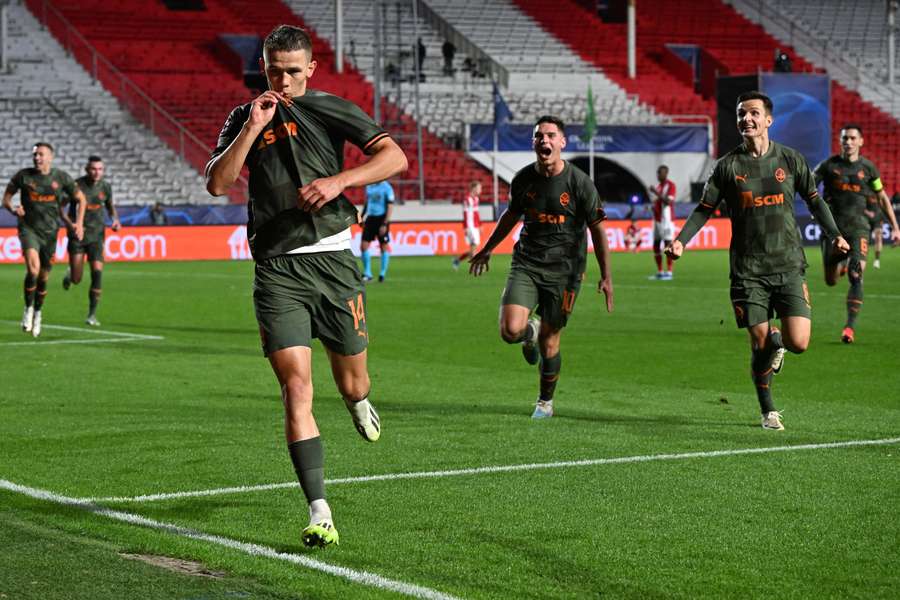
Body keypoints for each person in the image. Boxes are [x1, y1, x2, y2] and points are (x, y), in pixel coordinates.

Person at [205, 24, 407, 548]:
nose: (285, 80)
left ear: (311, 69)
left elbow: (395, 158)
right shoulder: (243, 117)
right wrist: (252, 127)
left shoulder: (330, 108)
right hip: (276, 270)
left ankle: (359, 402)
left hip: (334, 263)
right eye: (276, 72)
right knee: (296, 387)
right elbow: (218, 182)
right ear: (264, 69)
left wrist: (340, 181)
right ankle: (320, 510)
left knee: (352, 385)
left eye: (294, 71)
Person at [666, 91, 849, 431]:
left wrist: (834, 233)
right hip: (748, 272)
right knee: (759, 342)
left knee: (799, 343)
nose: (745, 119)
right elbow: (704, 210)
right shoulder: (727, 167)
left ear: (768, 119)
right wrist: (680, 241)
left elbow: (815, 201)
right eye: (740, 114)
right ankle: (768, 410)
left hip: (789, 265)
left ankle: (778, 342)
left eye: (752, 113)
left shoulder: (791, 160)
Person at [469, 115, 613, 419]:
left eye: (550, 135)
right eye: (538, 136)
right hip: (527, 264)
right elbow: (511, 216)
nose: (543, 140)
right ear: (533, 143)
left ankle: (545, 402)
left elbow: (598, 229)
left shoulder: (580, 183)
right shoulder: (523, 180)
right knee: (509, 331)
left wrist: (606, 276)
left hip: (566, 273)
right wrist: (487, 249)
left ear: (562, 142)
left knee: (550, 340)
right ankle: (527, 331)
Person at [813, 124, 900, 343]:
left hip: (860, 229)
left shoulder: (869, 169)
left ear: (861, 141)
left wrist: (896, 227)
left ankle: (849, 328)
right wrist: (814, 208)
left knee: (856, 275)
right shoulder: (828, 165)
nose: (848, 142)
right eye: (845, 139)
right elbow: (808, 186)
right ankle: (841, 266)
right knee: (831, 281)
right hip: (833, 231)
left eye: (852, 138)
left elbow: (881, 198)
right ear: (840, 141)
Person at [2, 142, 85, 338]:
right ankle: (28, 308)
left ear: (50, 157)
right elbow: (5, 199)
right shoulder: (23, 176)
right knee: (33, 269)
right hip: (28, 229)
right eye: (35, 155)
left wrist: (79, 223)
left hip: (50, 233)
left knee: (44, 278)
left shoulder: (61, 177)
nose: (37, 158)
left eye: (41, 154)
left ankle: (38, 313)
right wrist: (13, 208)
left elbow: (81, 198)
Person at [62, 156, 120, 326]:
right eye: (94, 169)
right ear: (87, 170)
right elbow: (61, 206)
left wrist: (115, 220)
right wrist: (70, 223)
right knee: (76, 279)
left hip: (97, 236)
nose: (97, 172)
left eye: (100, 169)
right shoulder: (76, 186)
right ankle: (70, 273)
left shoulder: (105, 187)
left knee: (97, 272)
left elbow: (110, 207)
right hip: (78, 236)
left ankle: (92, 315)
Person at [360, 179, 394, 282]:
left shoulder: (387, 188)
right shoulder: (369, 186)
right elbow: (367, 202)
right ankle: (367, 273)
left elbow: (390, 206)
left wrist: (385, 223)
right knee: (363, 246)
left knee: (383, 246)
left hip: (382, 219)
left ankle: (382, 274)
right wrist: (361, 216)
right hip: (370, 218)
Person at [648, 165, 676, 279]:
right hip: (657, 219)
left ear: (666, 173)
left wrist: (655, 192)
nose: (658, 175)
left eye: (660, 173)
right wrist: (653, 207)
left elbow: (668, 201)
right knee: (656, 245)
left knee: (667, 244)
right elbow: (658, 201)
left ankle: (669, 272)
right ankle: (660, 272)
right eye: (657, 173)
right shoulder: (659, 186)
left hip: (667, 220)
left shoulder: (671, 185)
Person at [452, 180, 481, 270]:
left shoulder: (476, 199)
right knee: (474, 246)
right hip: (470, 226)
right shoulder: (467, 199)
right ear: (473, 189)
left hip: (475, 227)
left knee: (473, 249)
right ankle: (475, 266)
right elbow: (465, 214)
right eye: (479, 188)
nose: (480, 190)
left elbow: (476, 214)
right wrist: (465, 227)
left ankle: (457, 260)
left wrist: (480, 225)